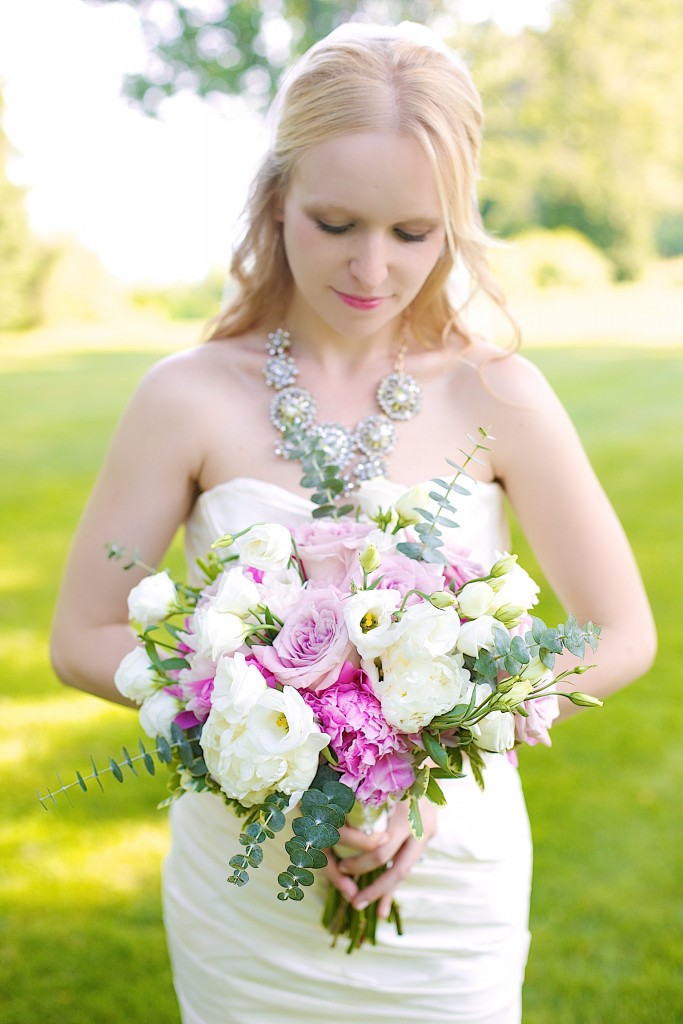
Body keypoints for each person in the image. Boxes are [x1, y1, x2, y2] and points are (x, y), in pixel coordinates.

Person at [50, 20, 656, 1024]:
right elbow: (81, 635)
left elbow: (620, 629)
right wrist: (256, 725)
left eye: (412, 233)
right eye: (335, 223)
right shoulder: (186, 396)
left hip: (446, 878)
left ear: (453, 222)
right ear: (276, 194)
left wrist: (429, 748)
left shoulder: (495, 393)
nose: (371, 269)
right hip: (245, 900)